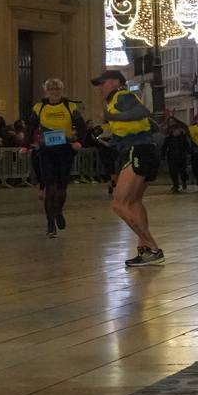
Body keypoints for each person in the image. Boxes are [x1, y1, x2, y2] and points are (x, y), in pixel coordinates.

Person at [93, 70, 164, 266]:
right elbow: (151, 125)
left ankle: (153, 247)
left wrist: (110, 116)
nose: (100, 87)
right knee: (134, 202)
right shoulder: (120, 98)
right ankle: (146, 250)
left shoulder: (122, 96)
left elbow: (143, 112)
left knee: (119, 204)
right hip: (145, 150)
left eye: (102, 82)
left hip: (137, 151)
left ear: (116, 82)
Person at [23, 78, 87, 237]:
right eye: (51, 89)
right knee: (50, 188)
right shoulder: (39, 107)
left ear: (61, 90)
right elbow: (30, 127)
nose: (54, 92)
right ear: (46, 91)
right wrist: (25, 144)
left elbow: (82, 126)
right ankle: (50, 224)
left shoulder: (70, 106)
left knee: (62, 188)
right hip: (46, 151)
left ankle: (58, 211)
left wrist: (79, 142)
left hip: (65, 150)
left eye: (57, 89)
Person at [161, 118, 191, 193]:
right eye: (170, 122)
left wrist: (189, 152)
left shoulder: (182, 132)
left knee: (182, 171)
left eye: (172, 121)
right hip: (171, 155)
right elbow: (165, 145)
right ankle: (176, 185)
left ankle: (183, 181)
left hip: (181, 155)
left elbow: (186, 143)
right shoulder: (168, 133)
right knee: (172, 171)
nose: (171, 123)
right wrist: (162, 155)